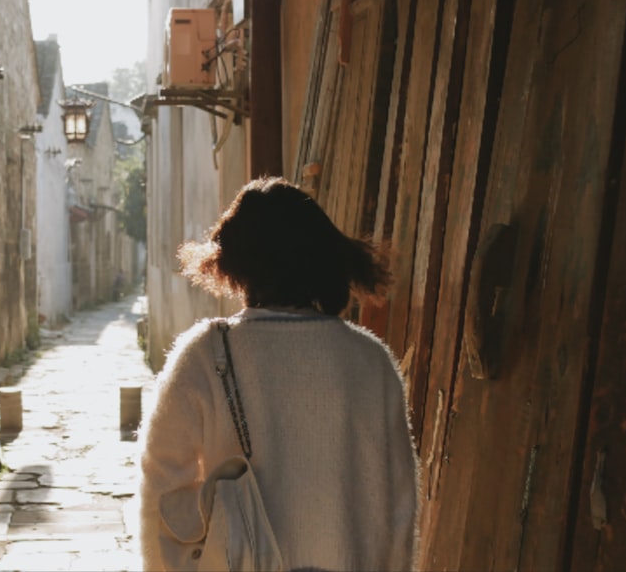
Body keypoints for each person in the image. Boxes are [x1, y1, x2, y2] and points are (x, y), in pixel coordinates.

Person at [138, 176, 419, 571]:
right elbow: (400, 507)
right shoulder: (371, 362)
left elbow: (162, 489)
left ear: (233, 262)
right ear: (325, 257)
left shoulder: (204, 356)